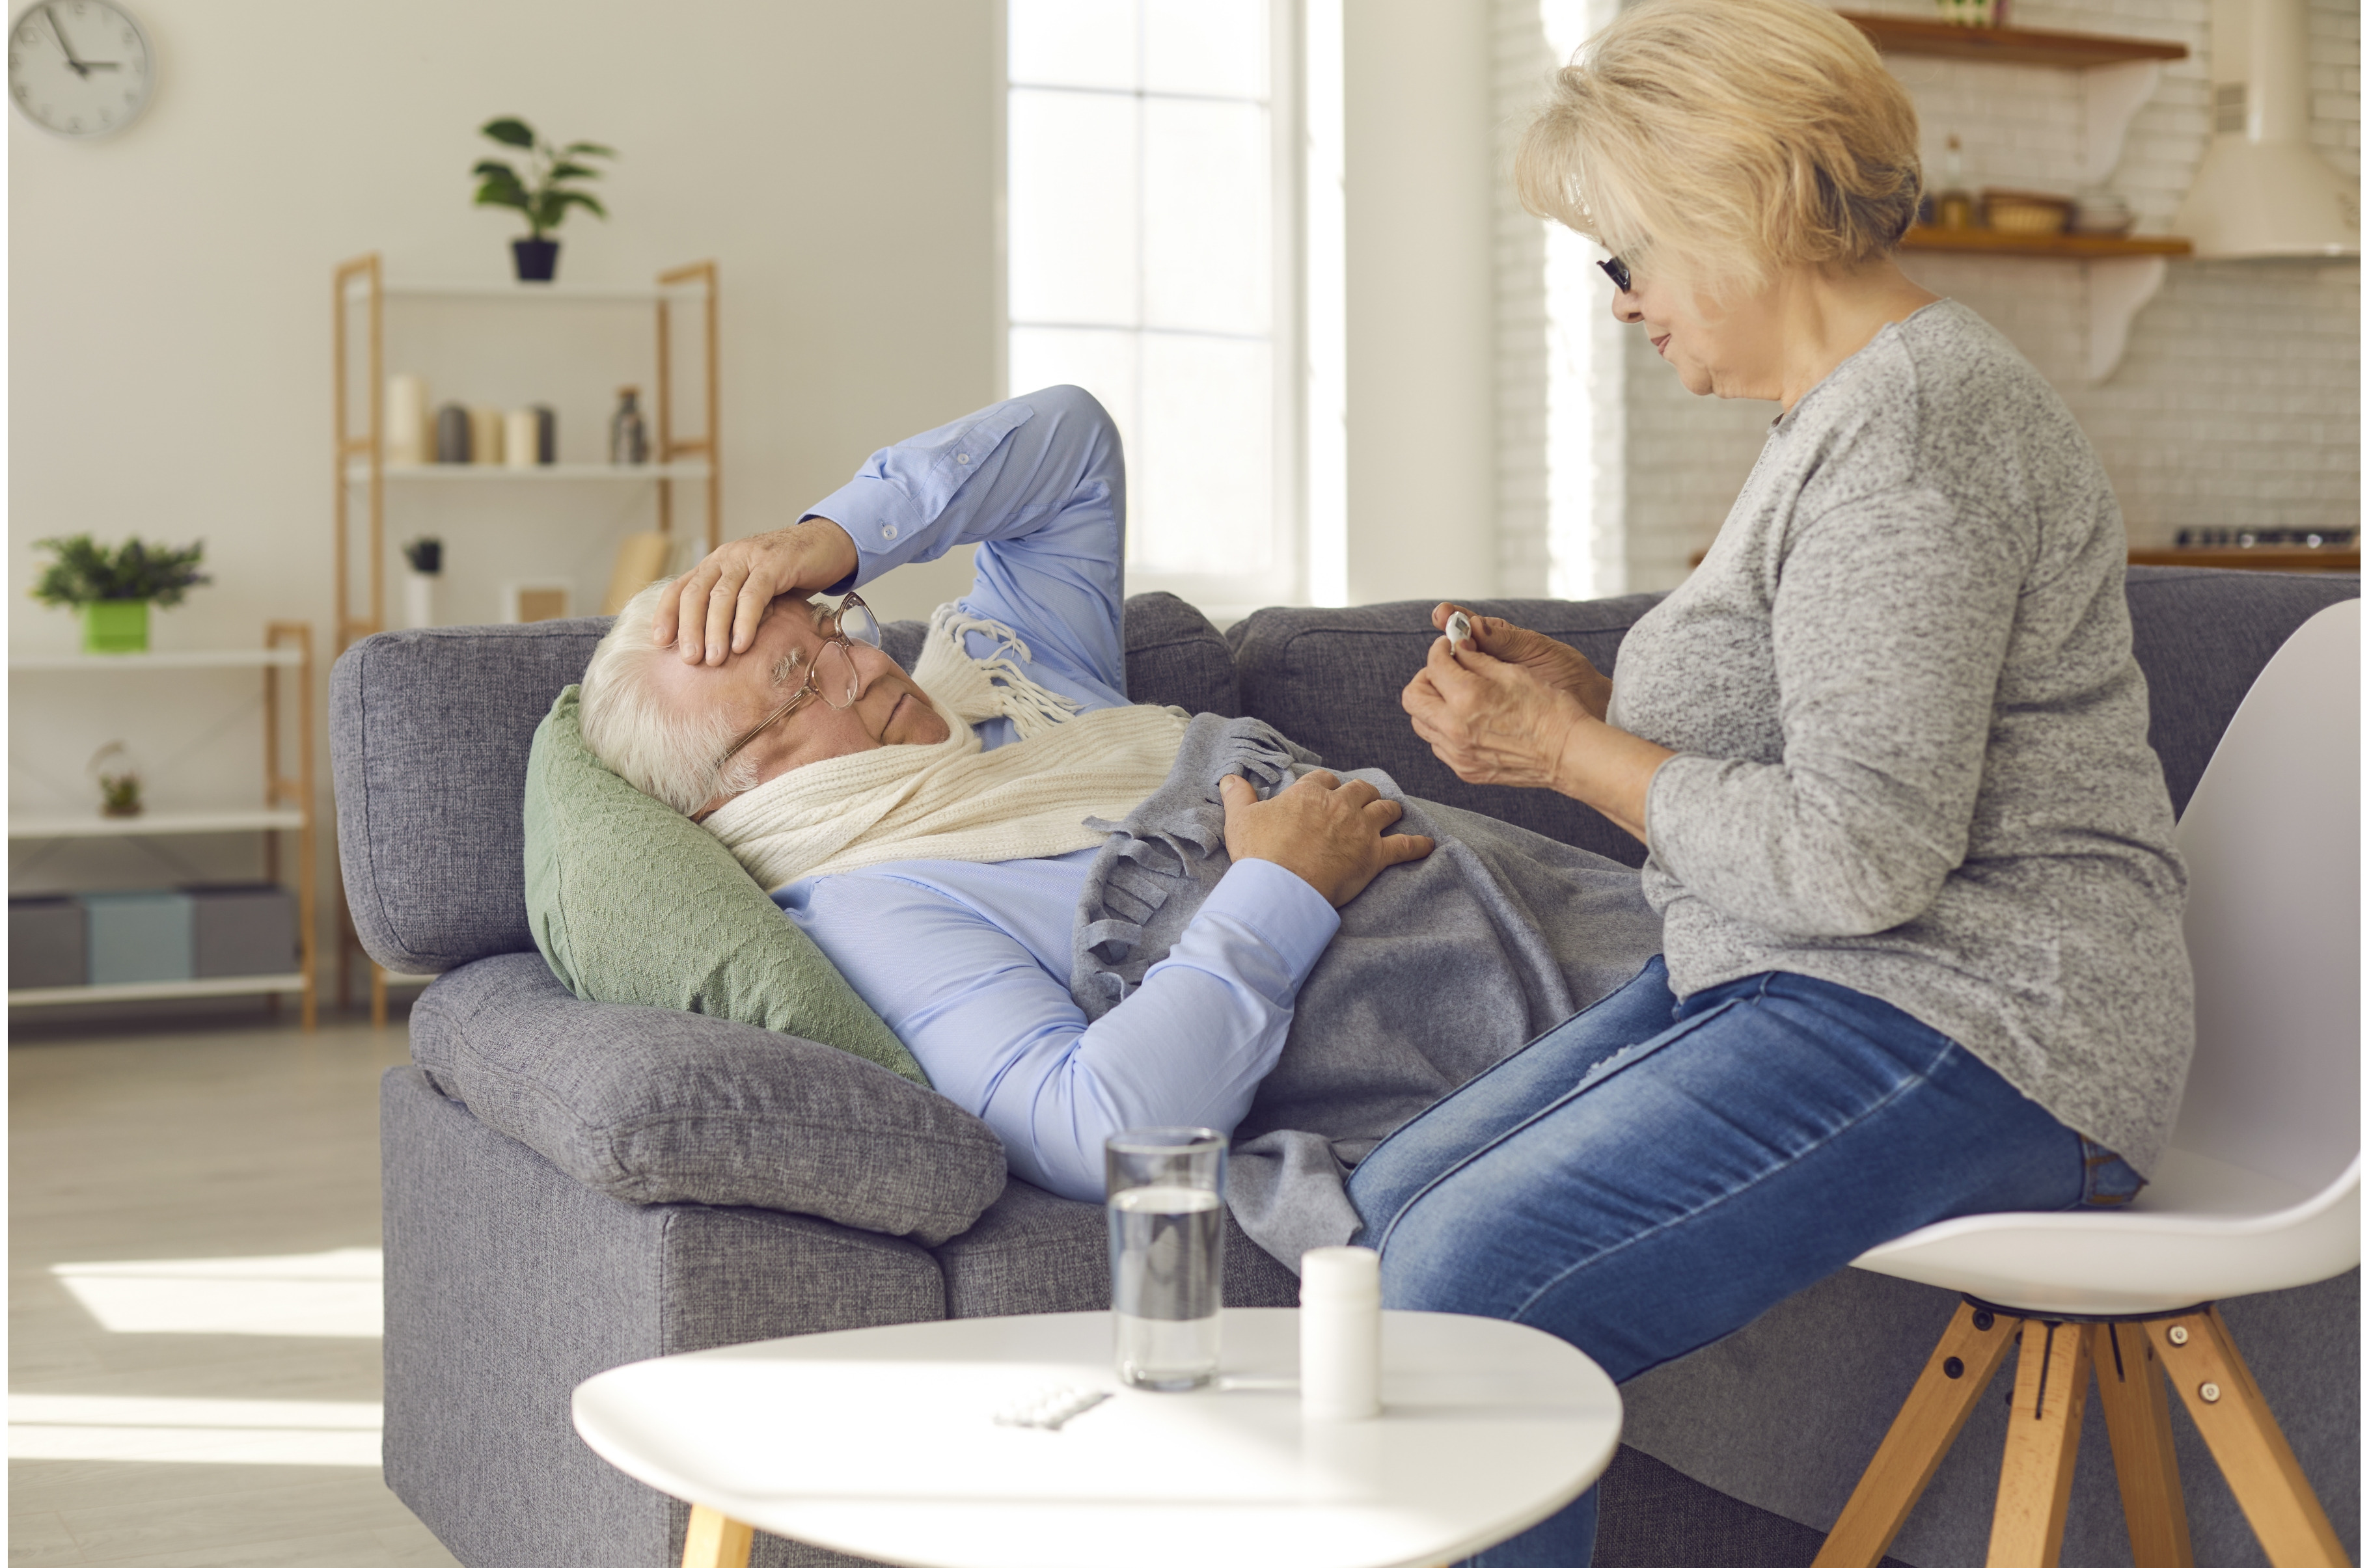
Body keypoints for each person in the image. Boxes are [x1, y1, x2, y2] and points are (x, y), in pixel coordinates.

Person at [1350, 0, 2192, 1561]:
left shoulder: (1914, 429)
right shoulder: (1842, 413)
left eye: (1625, 256)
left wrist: (1570, 754)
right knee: (1395, 1200)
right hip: (1830, 975)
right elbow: (1847, 738)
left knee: (1467, 1274)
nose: (1620, 304)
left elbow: (1864, 851)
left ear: (1737, 208)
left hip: (1984, 1013)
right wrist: (1593, 705)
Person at [577, 384, 1660, 1251]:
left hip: (1602, 911)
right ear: (736, 793)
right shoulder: (879, 907)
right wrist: (1277, 893)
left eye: (832, 632)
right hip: (1540, 1029)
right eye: (798, 690)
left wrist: (832, 538)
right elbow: (1094, 1129)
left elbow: (1071, 441)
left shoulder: (1008, 677)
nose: (864, 668)